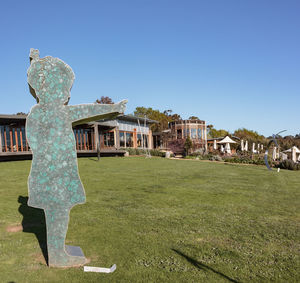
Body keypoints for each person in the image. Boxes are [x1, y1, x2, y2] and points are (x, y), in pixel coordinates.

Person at [26, 49, 127, 267]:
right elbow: (33, 140)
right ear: (46, 89)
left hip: (58, 173)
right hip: (52, 175)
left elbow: (88, 109)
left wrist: (113, 109)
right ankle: (58, 256)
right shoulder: (46, 113)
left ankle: (58, 251)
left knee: (61, 212)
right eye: (64, 89)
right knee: (58, 212)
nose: (68, 94)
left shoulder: (46, 112)